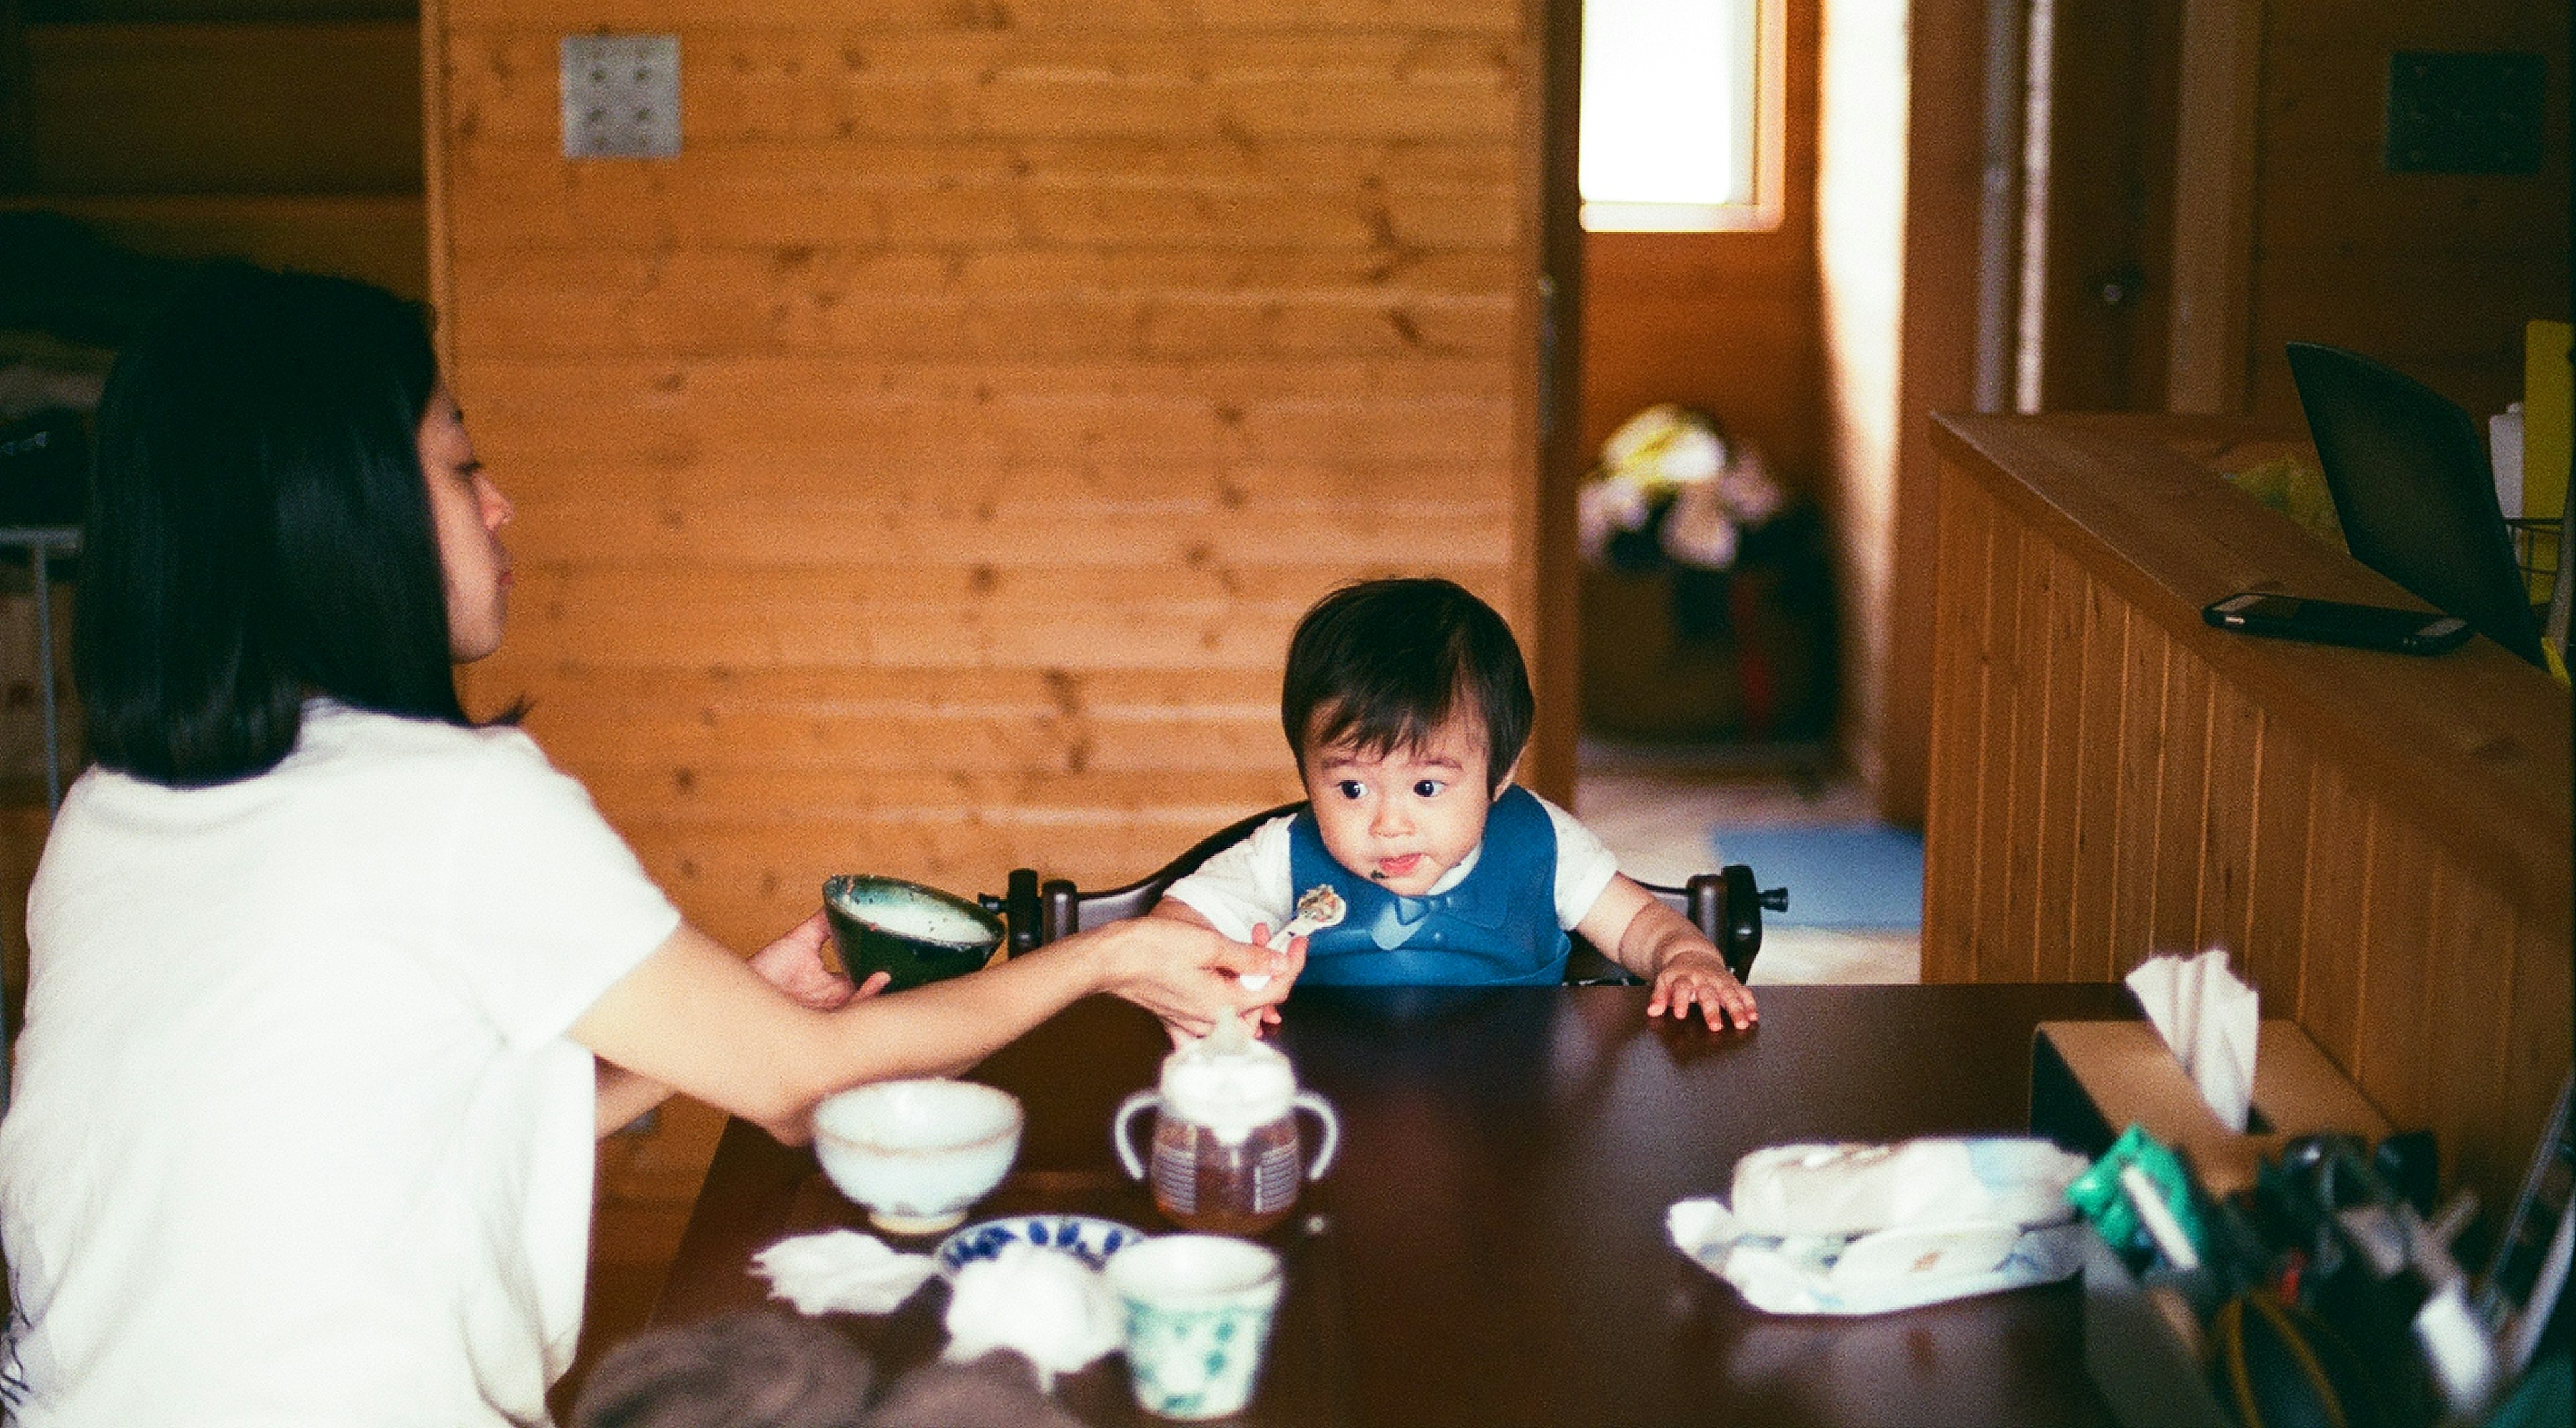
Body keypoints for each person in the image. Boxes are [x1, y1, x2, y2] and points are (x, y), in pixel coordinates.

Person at [0, 266, 1293, 1427]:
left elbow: (374, 1124)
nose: (502, 503)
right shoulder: (453, 799)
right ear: (343, 508)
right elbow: (810, 1086)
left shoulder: (105, 811)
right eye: (461, 464)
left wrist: (703, 1030)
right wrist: (1111, 955)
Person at [1152, 577, 1757, 1027]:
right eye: (1352, 788)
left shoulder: (1542, 842)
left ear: (1500, 774)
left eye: (1426, 787)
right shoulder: (1283, 855)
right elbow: (1170, 931)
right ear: (1307, 772)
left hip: (1513, 1116)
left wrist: (1687, 957)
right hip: (1331, 1115)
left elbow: (1638, 927)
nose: (1389, 825)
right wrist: (1218, 983)